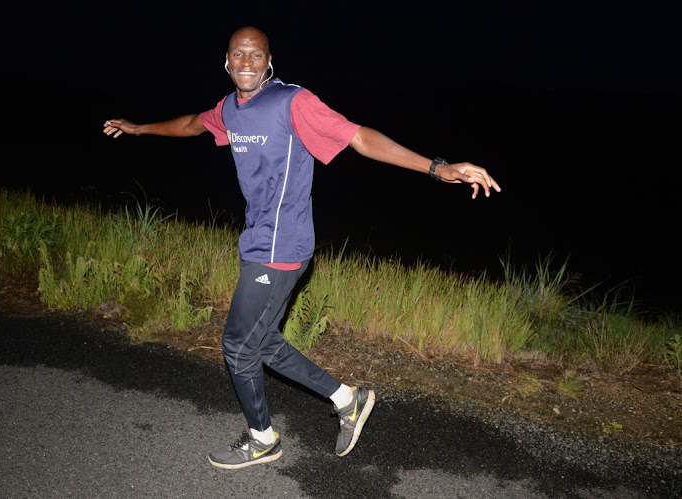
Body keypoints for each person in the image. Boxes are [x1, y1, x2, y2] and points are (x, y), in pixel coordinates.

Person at [103, 25, 500, 470]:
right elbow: (192, 125)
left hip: (283, 243)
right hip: (258, 239)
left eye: (256, 55)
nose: (247, 63)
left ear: (269, 60)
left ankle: (263, 439)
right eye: (239, 55)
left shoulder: (292, 102)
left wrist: (438, 169)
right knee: (263, 342)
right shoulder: (230, 109)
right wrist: (139, 129)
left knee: (237, 346)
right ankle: (348, 399)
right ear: (227, 62)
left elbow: (359, 138)